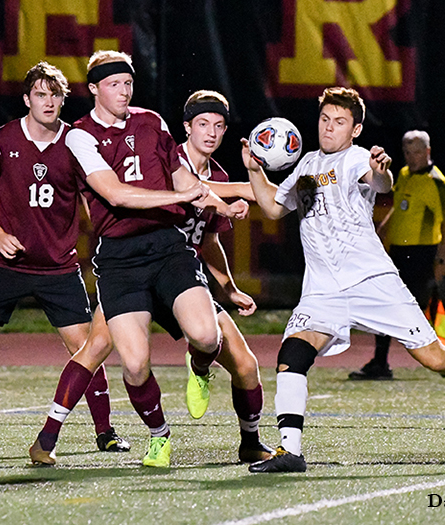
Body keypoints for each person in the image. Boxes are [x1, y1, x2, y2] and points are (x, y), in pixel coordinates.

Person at [241, 87, 445, 473]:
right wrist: (255, 171)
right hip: (322, 290)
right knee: (292, 356)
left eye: (339, 122)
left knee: (434, 359)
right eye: (325, 120)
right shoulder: (304, 165)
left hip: (372, 280)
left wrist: (382, 170)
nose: (329, 128)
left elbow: (381, 183)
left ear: (355, 130)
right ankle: (291, 451)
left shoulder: (358, 159)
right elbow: (272, 208)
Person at [27, 50, 248, 469]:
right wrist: (181, 196)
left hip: (167, 246)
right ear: (93, 89)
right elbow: (114, 194)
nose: (124, 91)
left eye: (128, 83)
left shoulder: (152, 121)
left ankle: (200, 368)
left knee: (205, 337)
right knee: (133, 363)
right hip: (120, 258)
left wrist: (220, 205)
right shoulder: (79, 135)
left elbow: (185, 178)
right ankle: (160, 437)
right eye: (114, 84)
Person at [0, 62, 129, 456]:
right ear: (27, 99)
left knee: (87, 350)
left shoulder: (77, 142)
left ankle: (106, 431)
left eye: (56, 95)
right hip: (2, 264)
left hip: (58, 267)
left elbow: (92, 196)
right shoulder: (0, 140)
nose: (48, 102)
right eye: (41, 94)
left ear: (64, 99)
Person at [174, 90, 272, 462]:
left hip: (189, 279)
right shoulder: (166, 158)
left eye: (219, 126)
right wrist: (245, 191)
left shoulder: (218, 175)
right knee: (95, 348)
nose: (211, 133)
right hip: (145, 271)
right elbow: (190, 189)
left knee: (246, 366)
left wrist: (229, 288)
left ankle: (250, 442)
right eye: (203, 124)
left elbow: (209, 239)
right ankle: (53, 435)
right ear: (187, 127)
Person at [349, 130, 445, 381]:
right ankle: (444, 347)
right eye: (407, 152)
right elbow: (399, 208)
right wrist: (384, 230)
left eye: (415, 152)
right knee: (392, 305)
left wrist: (442, 259)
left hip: (422, 253)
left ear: (427, 152)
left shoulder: (436, 181)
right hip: (399, 252)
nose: (411, 157)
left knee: (407, 307)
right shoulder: (402, 175)